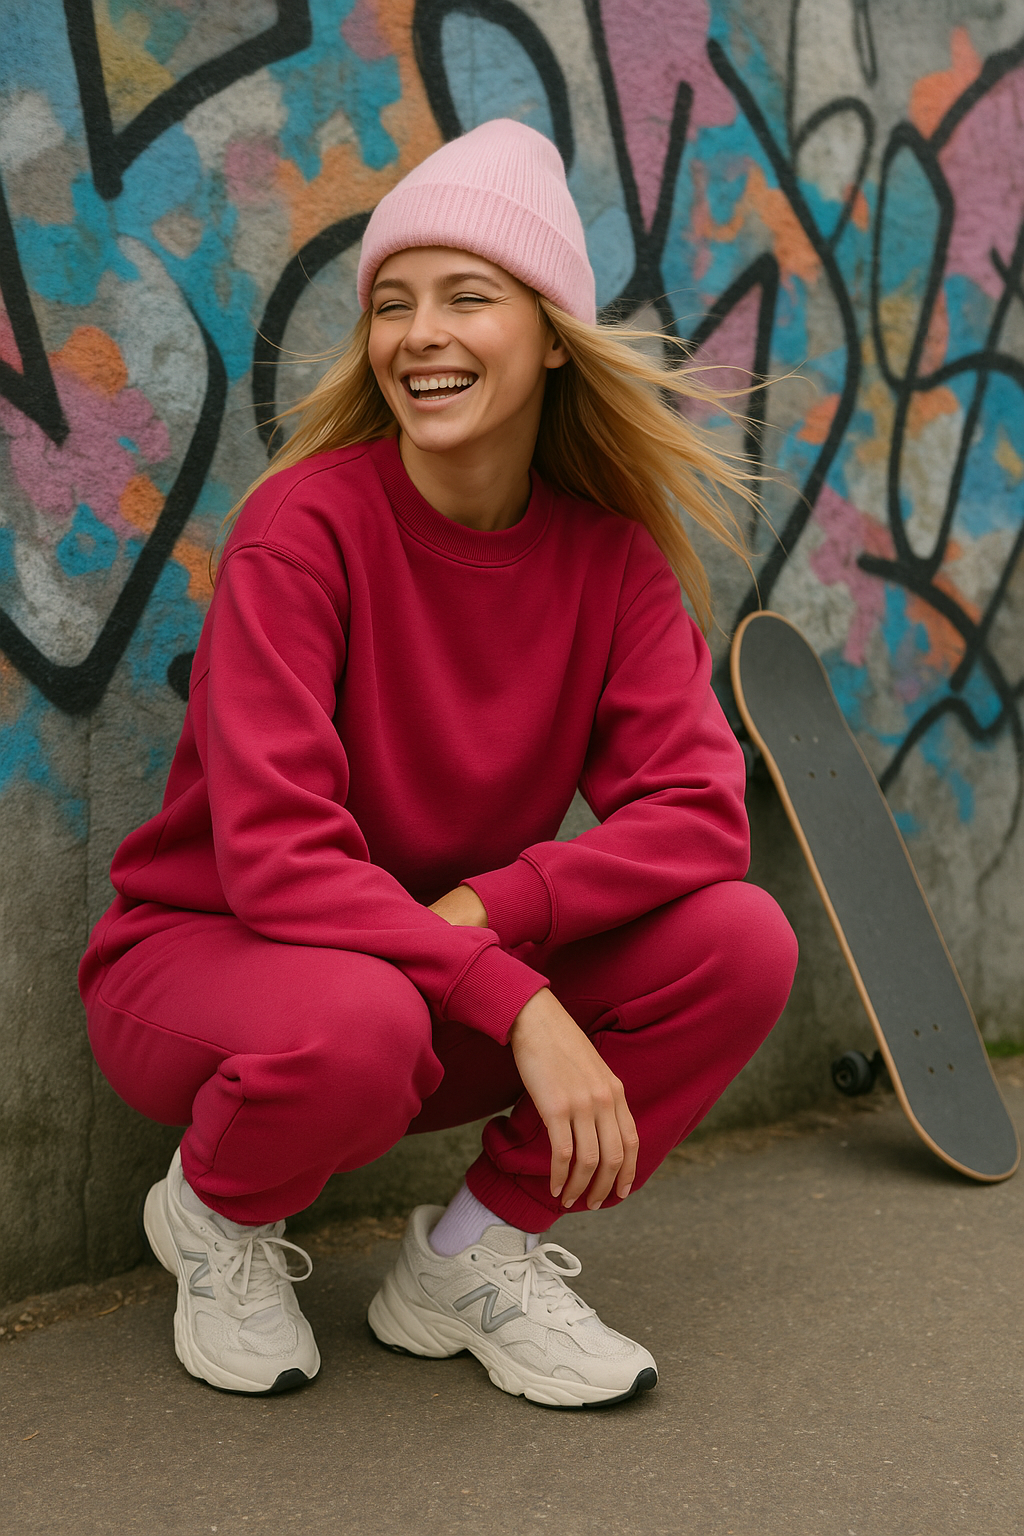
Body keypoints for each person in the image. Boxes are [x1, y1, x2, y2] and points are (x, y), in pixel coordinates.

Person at [78, 119, 798, 1408]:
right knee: (361, 1015)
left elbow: (698, 813)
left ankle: (470, 1258)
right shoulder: (303, 531)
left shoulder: (611, 563)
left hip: (419, 979)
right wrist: (514, 994)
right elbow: (279, 862)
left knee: (740, 940)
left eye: (468, 297)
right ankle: (214, 1215)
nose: (420, 336)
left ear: (550, 335)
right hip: (206, 966)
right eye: (392, 304)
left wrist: (492, 916)